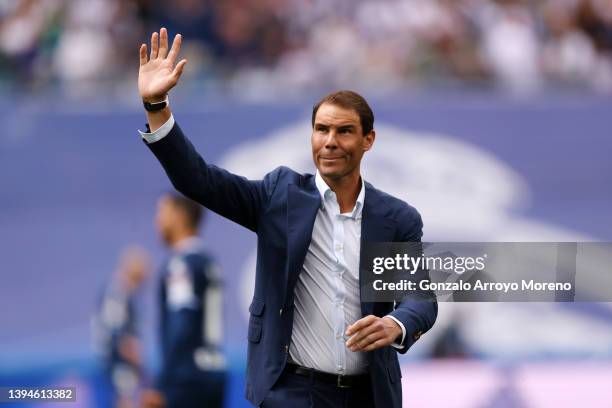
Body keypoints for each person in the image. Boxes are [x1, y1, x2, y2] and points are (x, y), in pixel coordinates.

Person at [137, 27, 437, 408]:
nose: (330, 141)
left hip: (369, 394)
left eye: (344, 131)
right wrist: (156, 106)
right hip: (292, 391)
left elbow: (421, 298)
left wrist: (394, 324)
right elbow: (198, 179)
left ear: (368, 140)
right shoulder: (280, 196)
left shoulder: (396, 218)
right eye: (321, 129)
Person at [141, 192, 226, 408]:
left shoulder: (181, 265)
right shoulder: (207, 261)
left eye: (162, 212)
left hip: (186, 378)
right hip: (212, 372)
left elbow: (182, 325)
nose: (157, 220)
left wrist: (161, 384)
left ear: (180, 216)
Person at [92, 247, 150, 408]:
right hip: (119, 364)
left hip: (112, 362)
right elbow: (121, 337)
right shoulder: (120, 294)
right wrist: (141, 367)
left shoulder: (113, 291)